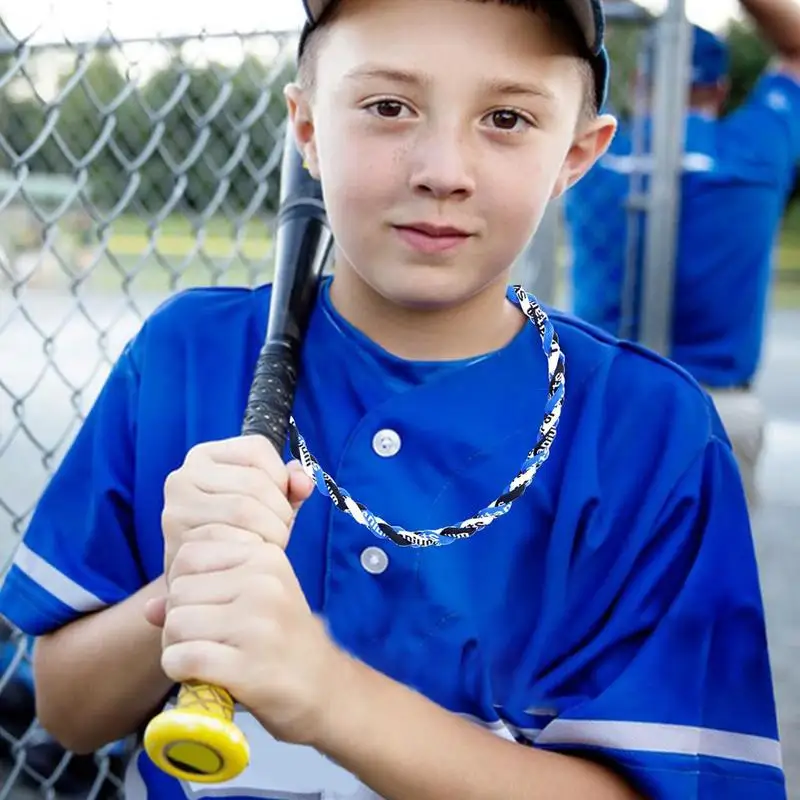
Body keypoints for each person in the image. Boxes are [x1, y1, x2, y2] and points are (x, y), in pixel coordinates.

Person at [0, 0, 788, 797]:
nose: (443, 169)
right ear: (306, 128)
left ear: (576, 157)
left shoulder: (651, 434)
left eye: (507, 117)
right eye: (388, 107)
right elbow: (68, 710)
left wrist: (329, 694)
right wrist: (189, 588)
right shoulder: (185, 356)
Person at [564, 1, 800, 508]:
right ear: (718, 90)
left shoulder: (593, 152)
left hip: (598, 402)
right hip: (715, 408)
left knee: (584, 583)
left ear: (637, 84)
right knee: (711, 584)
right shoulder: (755, 148)